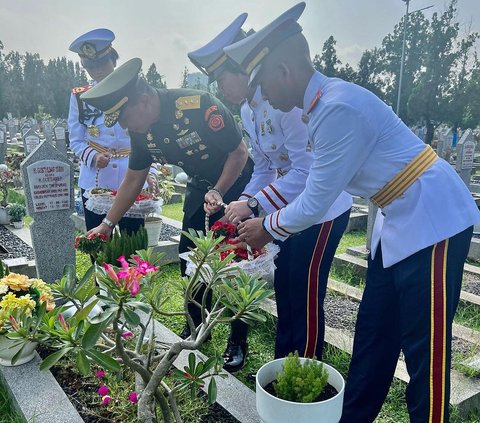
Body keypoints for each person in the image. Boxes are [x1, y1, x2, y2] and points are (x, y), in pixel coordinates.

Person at [224, 2, 480, 422]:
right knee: (373, 337)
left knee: (425, 354)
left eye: (263, 83)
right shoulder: (320, 108)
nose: (263, 96)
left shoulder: (336, 107)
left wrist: (265, 226)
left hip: (433, 219)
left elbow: (316, 199)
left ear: (285, 71)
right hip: (397, 221)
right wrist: (262, 211)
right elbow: (307, 182)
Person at [188, 12, 352, 368]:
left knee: (303, 290)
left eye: (221, 79)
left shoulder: (284, 103)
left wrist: (258, 203)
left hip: (322, 210)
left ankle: (303, 368)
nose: (219, 90)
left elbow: (306, 170)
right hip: (290, 208)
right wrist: (243, 201)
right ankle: (285, 363)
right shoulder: (249, 110)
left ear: (244, 69)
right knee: (285, 287)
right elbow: (265, 165)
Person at [79, 57, 254, 347]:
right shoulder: (141, 129)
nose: (124, 127)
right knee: (190, 257)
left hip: (237, 183)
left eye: (124, 118)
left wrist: (220, 191)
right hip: (201, 186)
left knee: (238, 260)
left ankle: (238, 339)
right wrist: (107, 224)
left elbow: (239, 153)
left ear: (145, 101)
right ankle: (197, 327)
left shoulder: (199, 105)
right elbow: (134, 179)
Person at [68, 29, 158, 238]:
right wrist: (93, 156)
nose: (97, 71)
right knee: (97, 240)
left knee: (133, 240)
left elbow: (149, 136)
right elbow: (76, 140)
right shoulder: (80, 97)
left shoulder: (135, 89)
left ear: (114, 59)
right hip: (96, 179)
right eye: (90, 66)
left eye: (102, 64)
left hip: (133, 172)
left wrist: (151, 172)